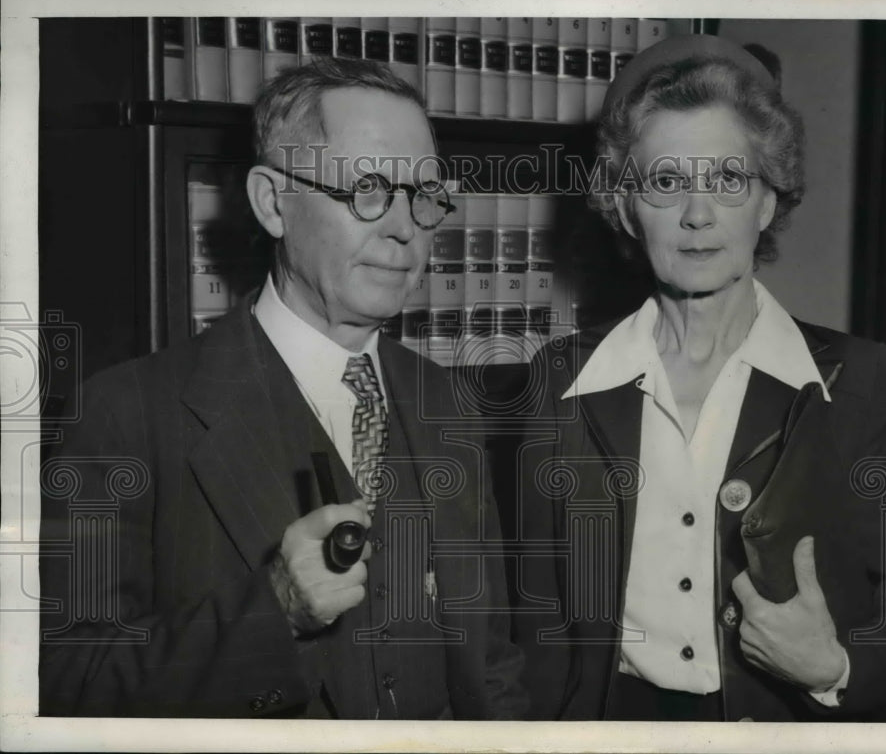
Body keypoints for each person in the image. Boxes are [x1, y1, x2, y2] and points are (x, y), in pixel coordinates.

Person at [39, 57, 527, 719]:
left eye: (425, 193)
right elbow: (67, 678)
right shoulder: (127, 413)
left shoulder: (448, 400)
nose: (406, 227)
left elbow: (489, 661)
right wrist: (273, 612)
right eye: (369, 189)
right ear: (273, 202)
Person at [513, 34, 886, 721]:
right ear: (626, 206)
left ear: (768, 201)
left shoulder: (866, 383)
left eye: (728, 179)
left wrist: (833, 665)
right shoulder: (559, 379)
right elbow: (535, 623)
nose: (698, 213)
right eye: (666, 181)